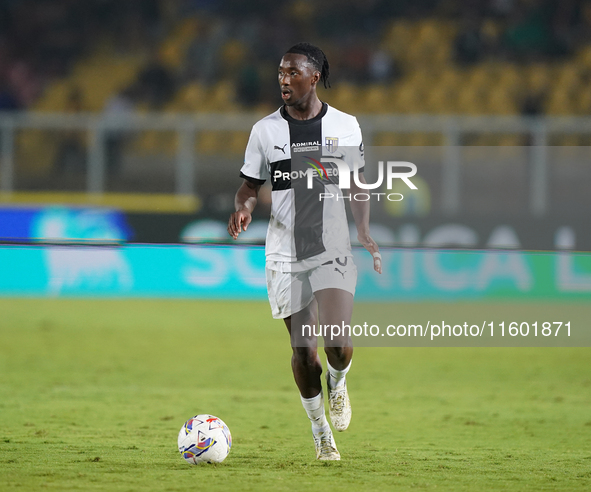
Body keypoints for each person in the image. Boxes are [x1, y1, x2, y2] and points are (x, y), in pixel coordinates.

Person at [227, 43, 381, 460]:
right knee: (302, 350)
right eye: (280, 72)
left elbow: (357, 183)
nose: (284, 79)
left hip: (331, 247)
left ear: (314, 76)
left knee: (338, 342)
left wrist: (363, 230)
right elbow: (248, 186)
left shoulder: (347, 125)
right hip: (284, 251)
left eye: (293, 72)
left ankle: (340, 381)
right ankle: (319, 432)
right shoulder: (265, 131)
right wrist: (242, 209)